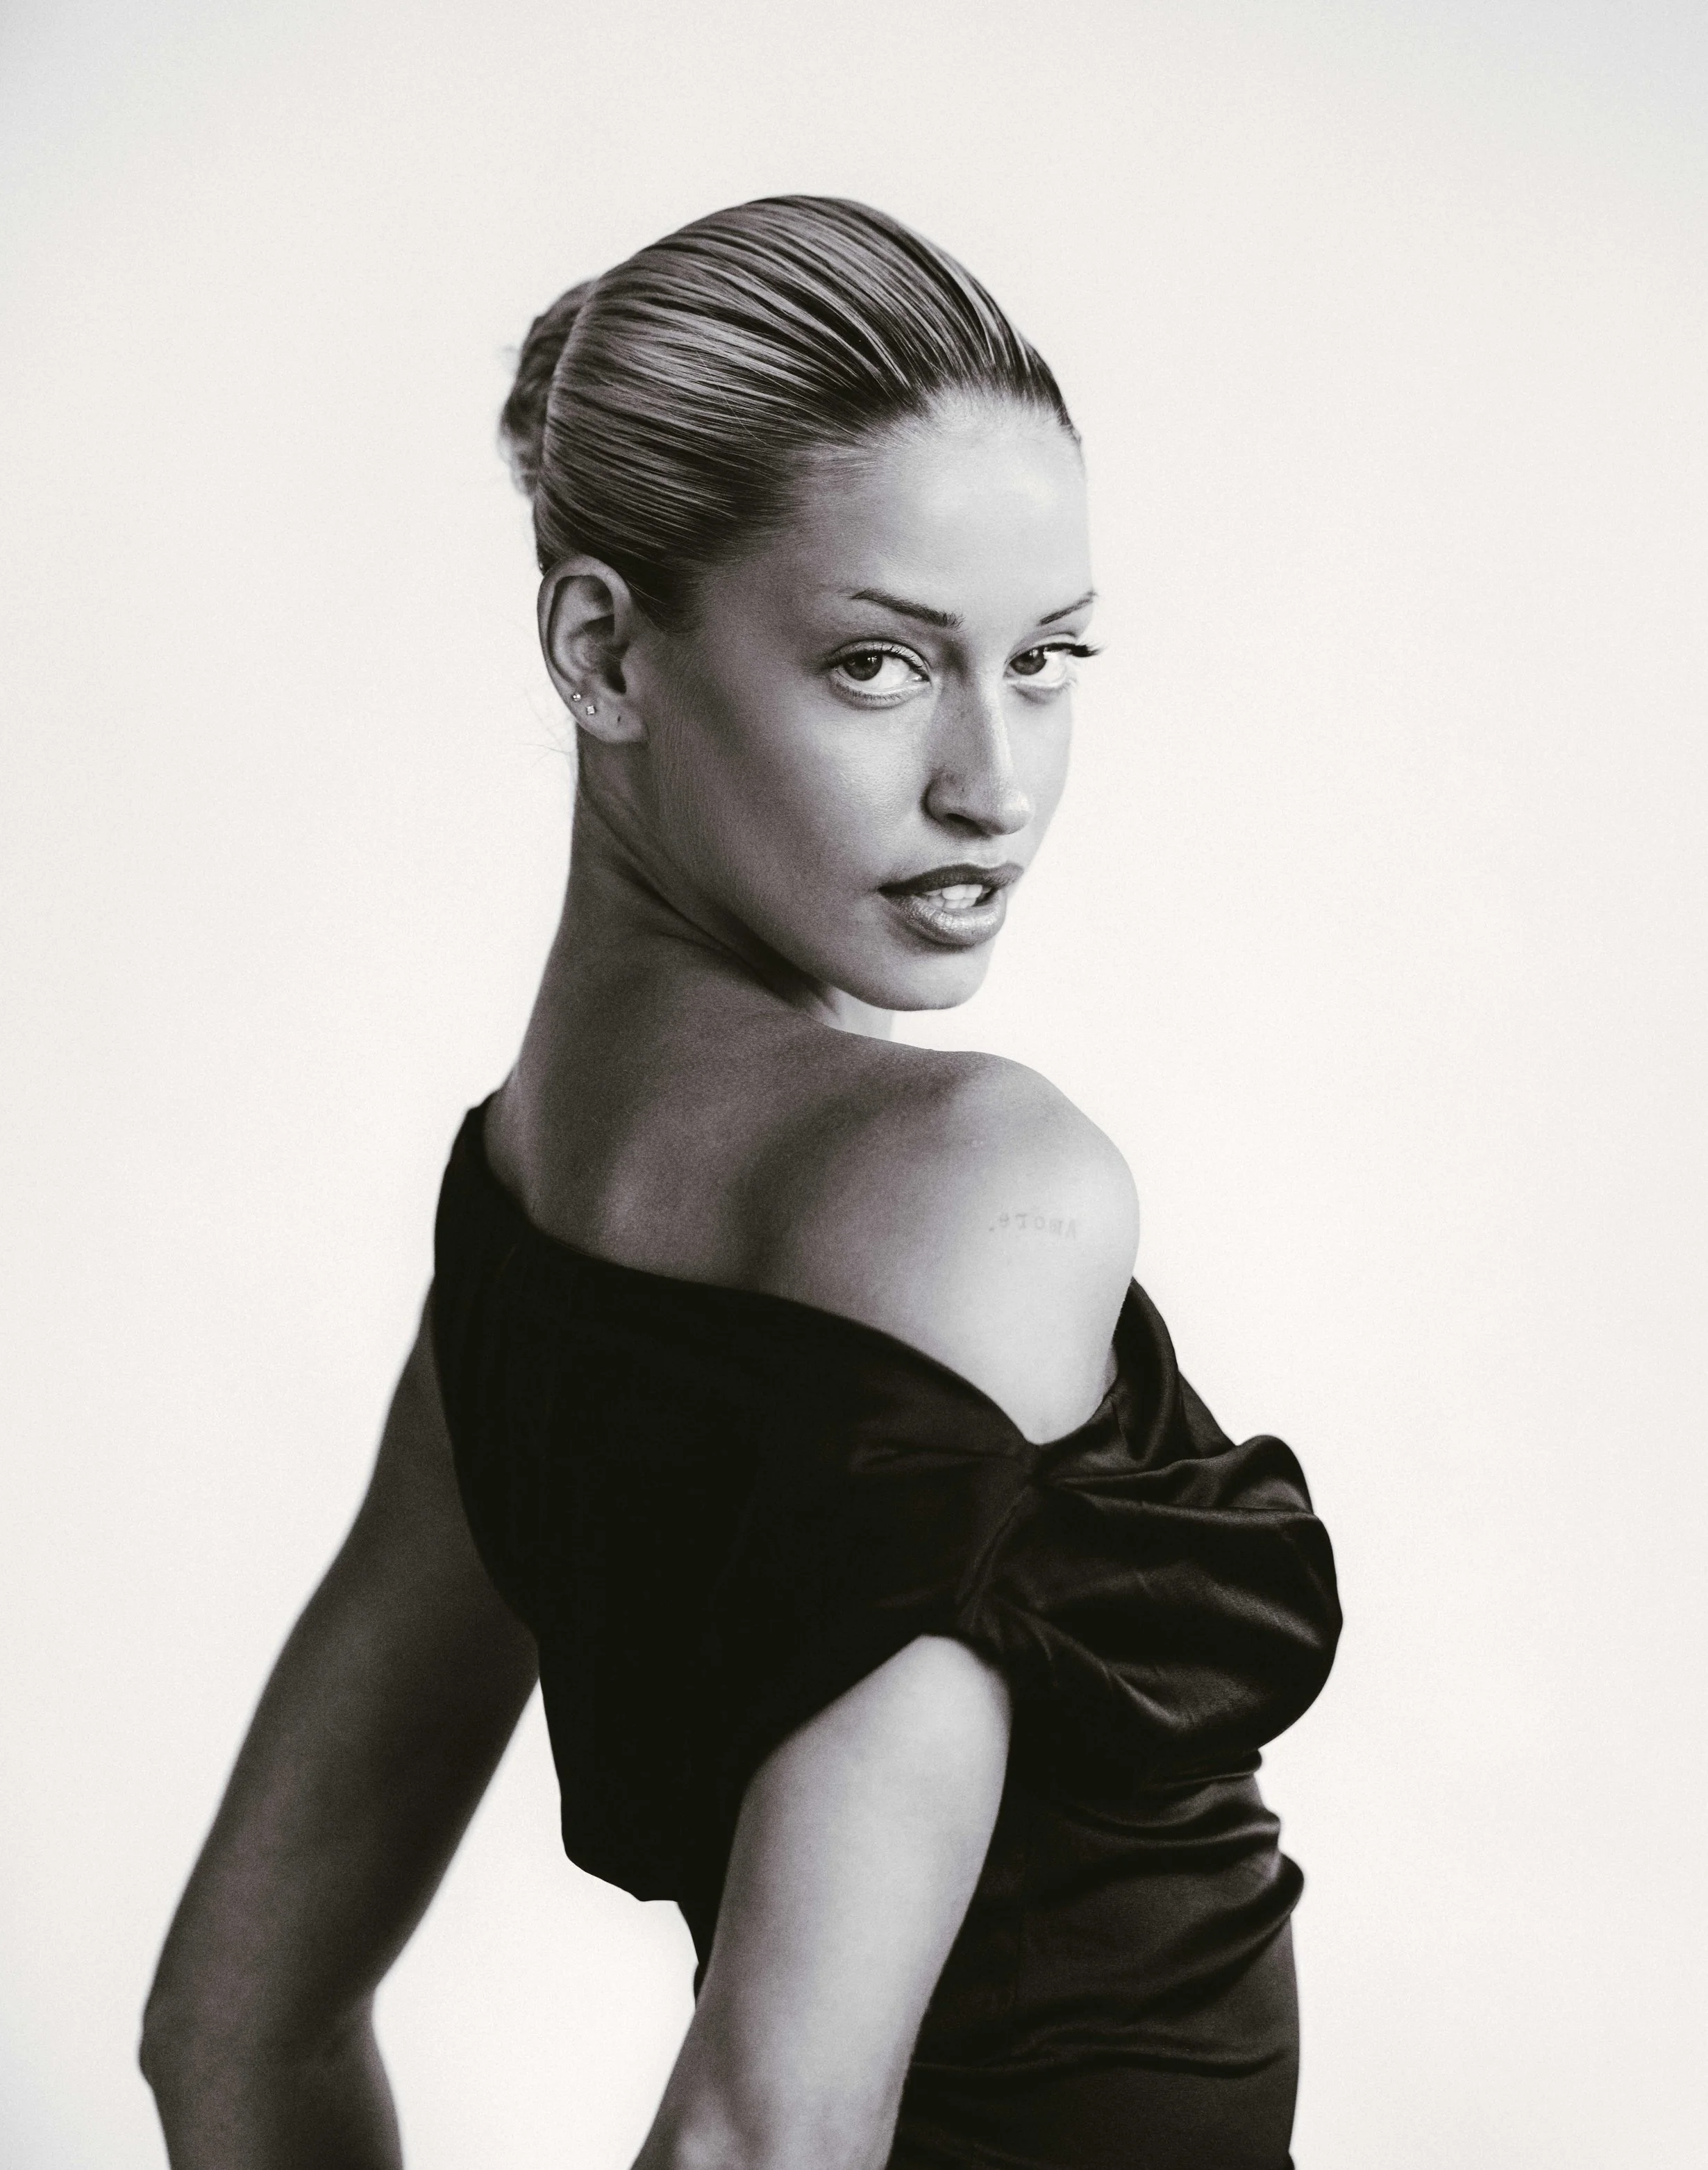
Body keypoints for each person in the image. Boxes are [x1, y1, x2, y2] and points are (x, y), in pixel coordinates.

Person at [140, 195, 1341, 2170]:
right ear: (602, 647)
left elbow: (230, 2032)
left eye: (1046, 659)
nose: (993, 784)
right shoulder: (972, 1186)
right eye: (879, 664)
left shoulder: (527, 1223)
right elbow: (760, 2140)